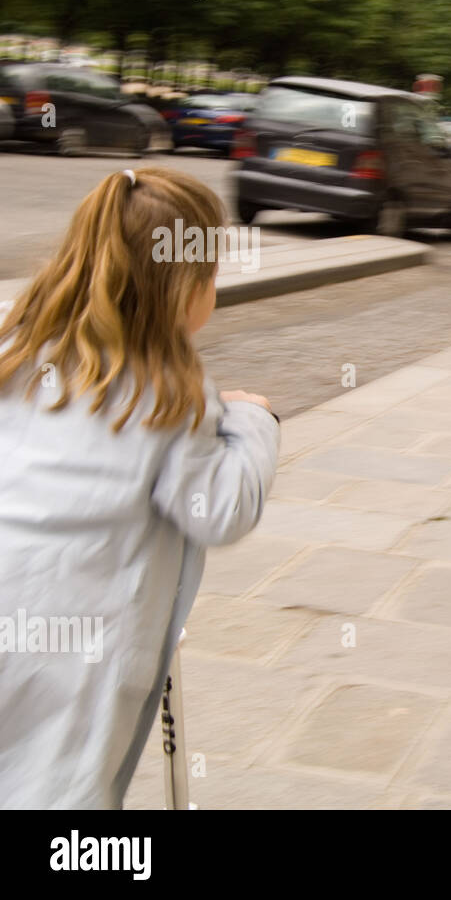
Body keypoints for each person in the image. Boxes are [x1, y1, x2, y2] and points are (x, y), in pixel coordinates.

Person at [0, 167, 280, 808]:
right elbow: (222, 508)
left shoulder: (15, 348)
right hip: (74, 647)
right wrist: (252, 418)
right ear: (186, 289)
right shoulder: (168, 397)